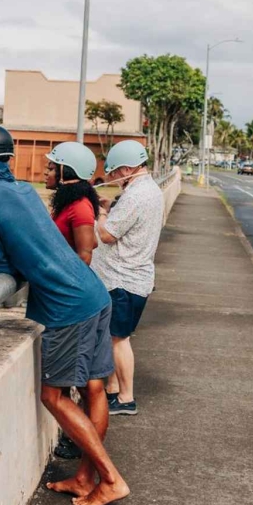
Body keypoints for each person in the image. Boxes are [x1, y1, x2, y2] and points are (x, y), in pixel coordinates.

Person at [0, 125, 128, 505]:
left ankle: (111, 480)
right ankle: (85, 478)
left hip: (66, 307)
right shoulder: (26, 191)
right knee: (93, 389)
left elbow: (4, 269)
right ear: (8, 159)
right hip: (94, 295)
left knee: (52, 396)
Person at [93, 139, 165, 416]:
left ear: (125, 169)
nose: (113, 178)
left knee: (119, 340)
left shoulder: (135, 196)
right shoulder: (151, 190)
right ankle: (113, 390)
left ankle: (126, 398)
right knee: (115, 337)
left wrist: (101, 213)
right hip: (135, 276)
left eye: (114, 172)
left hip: (122, 279)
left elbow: (107, 235)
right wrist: (112, 210)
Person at [45, 141, 102, 462]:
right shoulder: (70, 203)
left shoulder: (79, 206)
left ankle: (82, 446)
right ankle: (80, 445)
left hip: (74, 303)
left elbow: (86, 254)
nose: (46, 171)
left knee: (82, 385)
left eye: (52, 167)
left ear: (67, 172)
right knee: (78, 383)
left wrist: (57, 281)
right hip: (71, 300)